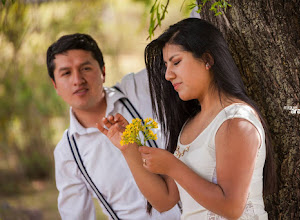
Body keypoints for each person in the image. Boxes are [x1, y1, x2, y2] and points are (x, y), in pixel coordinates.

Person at [98, 18, 276, 220]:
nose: (168, 75)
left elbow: (232, 208)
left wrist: (173, 166)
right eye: (166, 66)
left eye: (176, 62)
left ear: (207, 60)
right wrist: (128, 147)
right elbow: (164, 200)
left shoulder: (236, 120)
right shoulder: (190, 125)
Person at [46, 33, 181, 220]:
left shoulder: (138, 87)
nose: (78, 80)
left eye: (85, 68)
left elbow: (182, 53)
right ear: (55, 85)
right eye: (66, 73)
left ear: (103, 71)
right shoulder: (67, 152)